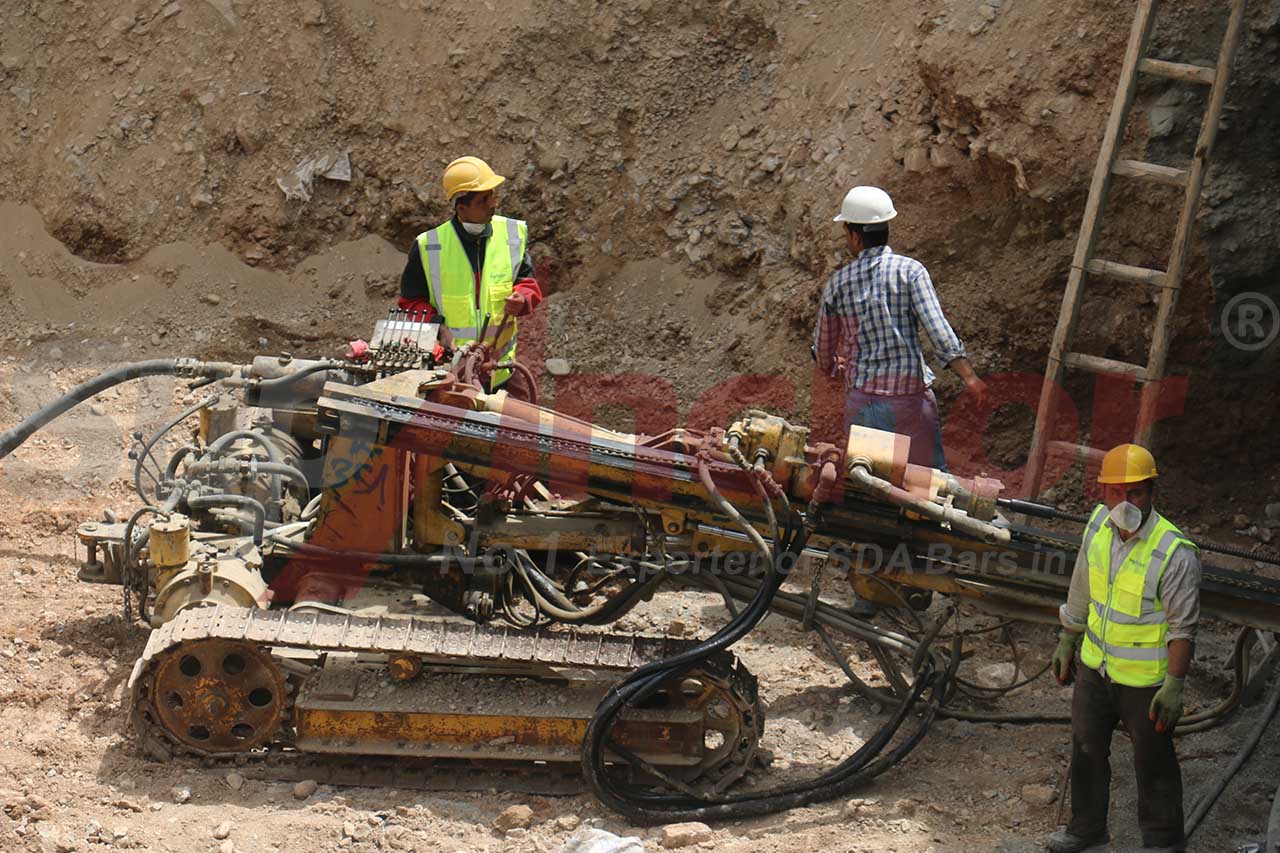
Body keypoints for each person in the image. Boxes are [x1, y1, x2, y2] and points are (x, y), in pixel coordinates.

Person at [1047, 444, 1201, 853]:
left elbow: (1183, 626)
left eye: (1135, 493)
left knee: (1153, 764)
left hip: (1145, 681)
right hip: (1095, 668)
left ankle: (1164, 843)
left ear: (1151, 492)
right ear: (1103, 493)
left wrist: (1175, 684)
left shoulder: (1173, 551)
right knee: (1086, 750)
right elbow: (1082, 585)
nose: (1124, 503)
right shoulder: (1098, 525)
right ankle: (1087, 829)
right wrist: (1068, 637)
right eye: (1115, 492)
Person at [812, 186, 986, 472]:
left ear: (856, 237)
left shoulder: (838, 284)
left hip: (863, 405)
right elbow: (939, 331)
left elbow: (823, 349)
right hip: (909, 404)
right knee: (928, 486)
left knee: (870, 488)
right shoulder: (911, 272)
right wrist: (970, 377)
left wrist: (835, 368)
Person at [398, 155, 543, 400]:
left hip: (502, 370)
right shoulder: (429, 246)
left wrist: (523, 298)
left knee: (521, 431)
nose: (493, 203)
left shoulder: (511, 235)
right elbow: (410, 303)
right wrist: (439, 329)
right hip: (453, 372)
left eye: (493, 195)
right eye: (483, 199)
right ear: (461, 207)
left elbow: (528, 283)